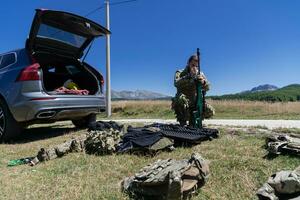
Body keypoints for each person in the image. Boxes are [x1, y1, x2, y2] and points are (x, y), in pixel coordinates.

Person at [172, 54, 215, 126]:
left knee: (209, 110)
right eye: (193, 65)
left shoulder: (201, 74)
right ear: (188, 63)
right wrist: (189, 76)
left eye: (196, 66)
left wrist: (203, 82)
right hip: (184, 99)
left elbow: (208, 88)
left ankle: (196, 120)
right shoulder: (180, 72)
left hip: (195, 99)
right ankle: (182, 121)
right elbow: (176, 83)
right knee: (181, 99)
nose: (194, 68)